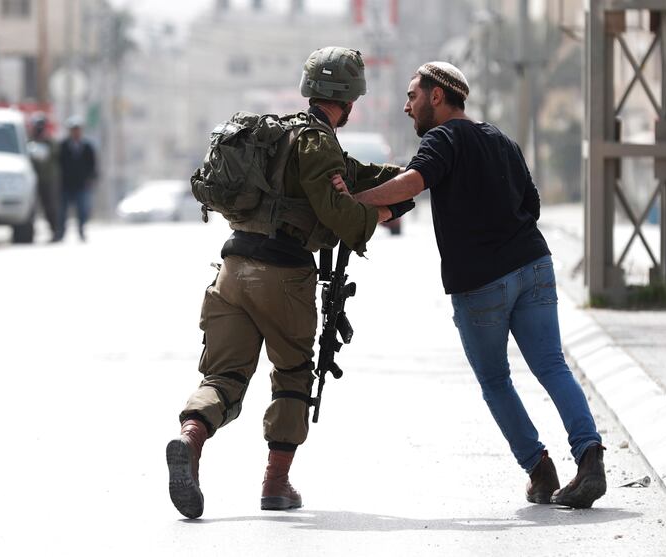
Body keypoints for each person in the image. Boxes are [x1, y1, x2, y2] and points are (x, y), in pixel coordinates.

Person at [166, 46, 413, 519]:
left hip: (233, 270)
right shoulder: (318, 144)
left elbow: (357, 176)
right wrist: (383, 212)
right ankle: (275, 484)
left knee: (223, 376)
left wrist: (415, 177)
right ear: (350, 97)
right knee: (294, 377)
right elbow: (339, 213)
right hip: (284, 276)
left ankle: (189, 440)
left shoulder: (276, 135)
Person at [346, 62, 607, 509]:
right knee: (552, 366)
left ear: (437, 97)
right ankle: (590, 460)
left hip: (482, 284)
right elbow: (532, 204)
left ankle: (539, 471)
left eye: (412, 96)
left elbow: (414, 181)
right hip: (534, 265)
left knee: (495, 379)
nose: (407, 107)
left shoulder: (442, 138)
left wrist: (354, 200)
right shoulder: (501, 139)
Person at [57, 117, 97, 241]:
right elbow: (58, 164)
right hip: (66, 184)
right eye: (73, 129)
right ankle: (61, 233)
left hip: (82, 184)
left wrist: (91, 179)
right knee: (63, 211)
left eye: (77, 129)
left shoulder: (87, 146)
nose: (75, 132)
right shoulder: (63, 146)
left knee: (82, 210)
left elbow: (93, 165)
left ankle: (81, 231)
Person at [27, 112, 61, 241]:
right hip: (32, 180)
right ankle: (28, 234)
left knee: (50, 207)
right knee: (31, 208)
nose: (39, 129)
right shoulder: (29, 141)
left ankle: (55, 232)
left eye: (40, 126)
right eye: (37, 126)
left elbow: (53, 156)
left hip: (48, 180)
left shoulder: (50, 142)